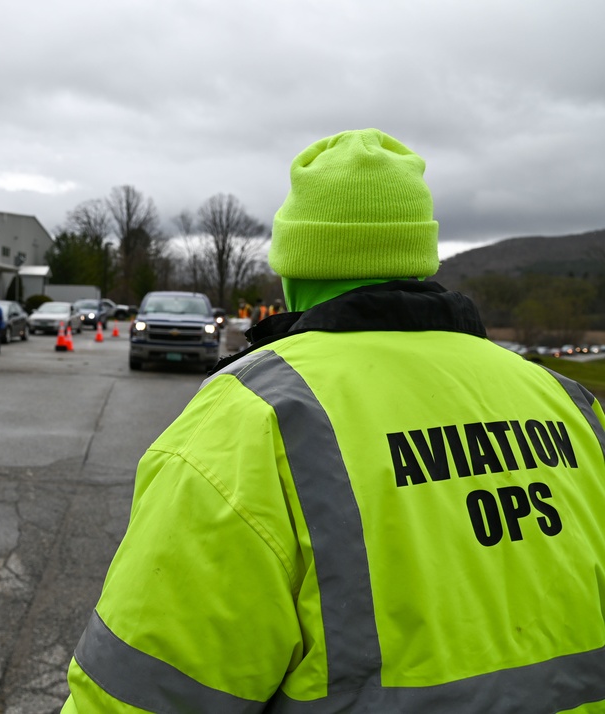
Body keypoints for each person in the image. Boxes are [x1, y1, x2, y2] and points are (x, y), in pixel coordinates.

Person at [62, 128, 605, 711]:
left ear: (293, 268)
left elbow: (141, 694)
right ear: (420, 259)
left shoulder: (252, 416)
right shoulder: (569, 404)